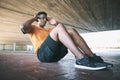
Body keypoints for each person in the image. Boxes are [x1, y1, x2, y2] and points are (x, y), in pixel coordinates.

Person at [20, 11, 113, 70]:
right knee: (60, 27)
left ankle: (91, 56)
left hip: (56, 56)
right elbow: (23, 27)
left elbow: (63, 34)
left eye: (45, 18)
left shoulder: (50, 30)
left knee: (71, 31)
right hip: (43, 55)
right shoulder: (33, 28)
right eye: (41, 18)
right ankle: (81, 59)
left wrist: (56, 24)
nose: (44, 20)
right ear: (37, 19)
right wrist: (34, 18)